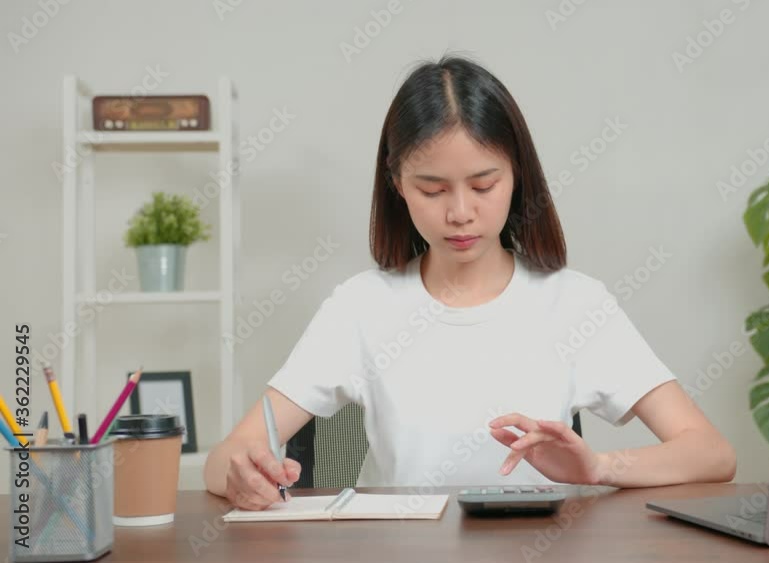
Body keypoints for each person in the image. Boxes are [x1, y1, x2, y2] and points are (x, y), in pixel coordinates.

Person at [204, 54, 736, 511]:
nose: (461, 213)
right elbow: (227, 455)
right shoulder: (361, 308)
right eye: (432, 190)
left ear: (517, 175)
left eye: (484, 184)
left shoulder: (575, 304)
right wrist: (241, 473)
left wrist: (597, 466)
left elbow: (711, 453)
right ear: (397, 186)